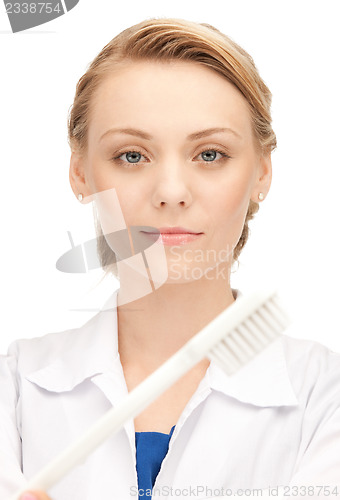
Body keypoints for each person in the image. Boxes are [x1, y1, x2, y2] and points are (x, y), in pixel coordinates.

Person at [1, 17, 340, 500]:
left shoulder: (326, 397)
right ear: (79, 171)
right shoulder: (13, 389)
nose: (171, 193)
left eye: (210, 154)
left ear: (262, 173)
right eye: (133, 156)